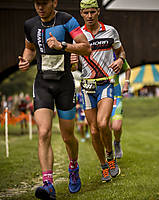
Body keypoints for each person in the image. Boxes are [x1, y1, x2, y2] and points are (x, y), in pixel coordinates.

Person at [18, 0, 91, 199]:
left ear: (54, 2)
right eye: (36, 3)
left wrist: (63, 45)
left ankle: (73, 166)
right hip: (42, 84)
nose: (40, 7)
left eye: (44, 3)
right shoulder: (30, 24)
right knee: (43, 132)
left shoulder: (67, 20)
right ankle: (48, 184)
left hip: (65, 85)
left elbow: (86, 48)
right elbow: (30, 48)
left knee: (68, 136)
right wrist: (26, 60)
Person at [71, 0, 126, 183]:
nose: (90, 16)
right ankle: (103, 166)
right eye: (86, 12)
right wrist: (72, 61)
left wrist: (119, 61)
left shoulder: (110, 31)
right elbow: (73, 67)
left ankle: (110, 156)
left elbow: (121, 53)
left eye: (93, 12)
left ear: (98, 12)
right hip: (87, 87)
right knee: (94, 131)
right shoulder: (78, 35)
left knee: (103, 124)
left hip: (106, 84)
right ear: (81, 13)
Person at [110, 59, 131, 159]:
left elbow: (127, 69)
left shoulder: (116, 55)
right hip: (99, 95)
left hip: (116, 96)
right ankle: (108, 152)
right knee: (104, 126)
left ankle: (117, 142)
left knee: (117, 126)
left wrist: (126, 83)